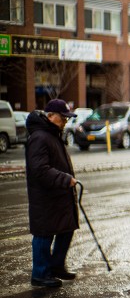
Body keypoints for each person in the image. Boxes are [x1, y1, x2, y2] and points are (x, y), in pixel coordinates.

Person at [25, 99, 80, 288]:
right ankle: (40, 274)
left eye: (67, 118)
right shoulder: (40, 137)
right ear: (50, 116)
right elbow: (39, 170)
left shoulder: (53, 134)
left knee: (67, 227)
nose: (65, 121)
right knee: (44, 234)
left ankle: (56, 266)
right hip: (45, 196)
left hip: (58, 194)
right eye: (62, 117)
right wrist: (65, 179)